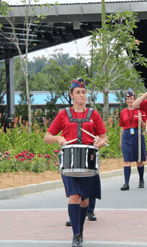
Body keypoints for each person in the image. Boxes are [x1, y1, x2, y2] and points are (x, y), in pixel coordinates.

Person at [44, 78, 108, 247]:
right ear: (71, 95)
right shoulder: (63, 114)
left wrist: (100, 142)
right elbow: (47, 137)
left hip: (88, 160)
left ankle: (80, 228)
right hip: (69, 160)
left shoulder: (93, 114)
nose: (81, 95)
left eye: (83, 92)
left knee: (85, 200)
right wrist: (58, 138)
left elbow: (103, 137)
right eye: (78, 92)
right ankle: (76, 235)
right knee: (74, 196)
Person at [119, 88, 147, 190]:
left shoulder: (140, 111)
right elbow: (122, 126)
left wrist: (141, 122)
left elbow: (144, 126)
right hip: (126, 135)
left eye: (131, 98)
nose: (130, 101)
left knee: (139, 160)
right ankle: (126, 183)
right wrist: (121, 140)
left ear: (134, 99)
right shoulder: (123, 112)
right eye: (128, 99)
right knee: (127, 160)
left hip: (137, 134)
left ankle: (141, 179)